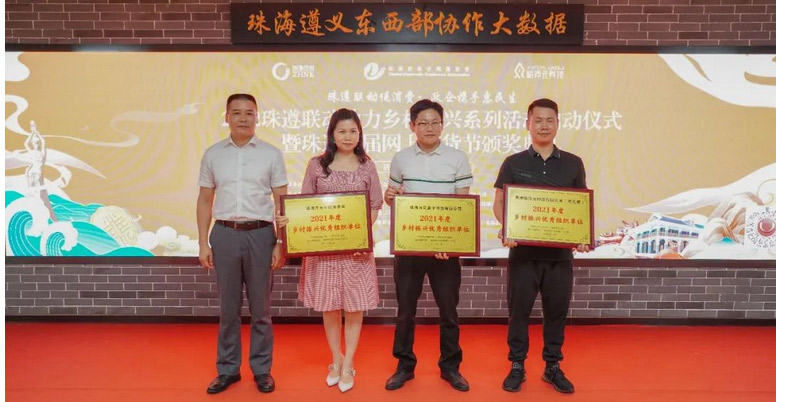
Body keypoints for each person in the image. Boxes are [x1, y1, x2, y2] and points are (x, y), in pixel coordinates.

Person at [276, 108, 383, 393]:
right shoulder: (317, 165)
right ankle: (335, 359)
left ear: (360, 134)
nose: (348, 136)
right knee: (330, 306)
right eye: (342, 131)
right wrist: (288, 220)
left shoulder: (367, 166)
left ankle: (349, 363)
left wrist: (361, 237)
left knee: (355, 306)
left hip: (356, 251)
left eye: (353, 131)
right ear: (332, 135)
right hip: (323, 250)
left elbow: (374, 205)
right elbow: (304, 204)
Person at [492, 98, 589, 394]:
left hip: (560, 256)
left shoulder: (573, 163)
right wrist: (506, 227)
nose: (544, 125)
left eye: (550, 120)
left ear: (558, 124)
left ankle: (552, 366)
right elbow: (499, 203)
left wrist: (582, 235)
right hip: (523, 254)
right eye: (538, 120)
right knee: (518, 312)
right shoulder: (513, 162)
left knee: (556, 312)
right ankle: (517, 364)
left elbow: (579, 207)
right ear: (528, 124)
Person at [197, 93, 288, 394]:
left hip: (261, 235)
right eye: (236, 113)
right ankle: (227, 369)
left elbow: (282, 201)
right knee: (228, 309)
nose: (243, 118)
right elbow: (205, 200)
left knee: (261, 310)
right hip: (224, 234)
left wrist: (280, 242)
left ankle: (262, 370)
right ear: (227, 117)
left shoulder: (271, 154)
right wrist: (203, 242)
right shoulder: (213, 154)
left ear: (257, 117)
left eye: (249, 112)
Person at [384, 99, 473, 392]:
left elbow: (462, 205)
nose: (430, 128)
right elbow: (394, 198)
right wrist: (389, 197)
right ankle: (404, 366)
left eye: (435, 122)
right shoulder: (401, 158)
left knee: (448, 311)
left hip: (445, 251)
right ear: (412, 126)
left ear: (442, 125)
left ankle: (450, 367)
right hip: (410, 248)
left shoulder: (457, 158)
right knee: (405, 311)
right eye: (423, 123)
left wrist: (452, 242)